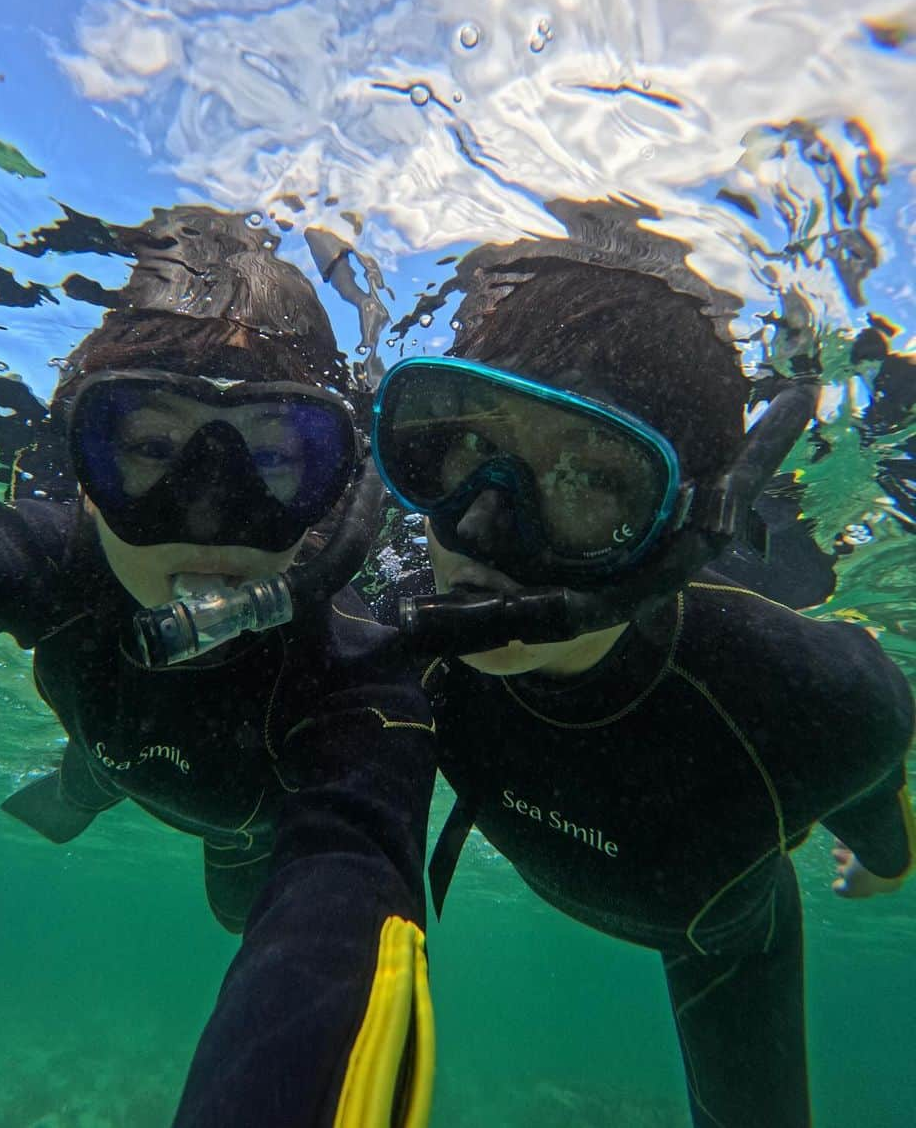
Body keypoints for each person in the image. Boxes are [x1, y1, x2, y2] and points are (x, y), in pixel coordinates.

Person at [0, 207, 436, 1128]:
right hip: (112, 740)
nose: (212, 513)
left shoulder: (360, 675)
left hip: (244, 824)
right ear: (83, 463)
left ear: (335, 488)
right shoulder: (46, 555)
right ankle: (87, 782)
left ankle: (104, 782)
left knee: (237, 907)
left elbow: (342, 883)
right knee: (102, 761)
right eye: (153, 448)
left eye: (275, 458)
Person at [370, 248, 916, 1128]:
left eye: (588, 478)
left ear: (680, 529)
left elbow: (877, 782)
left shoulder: (813, 693)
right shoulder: (391, 620)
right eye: (469, 446)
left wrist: (886, 856)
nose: (477, 524)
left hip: (726, 942)